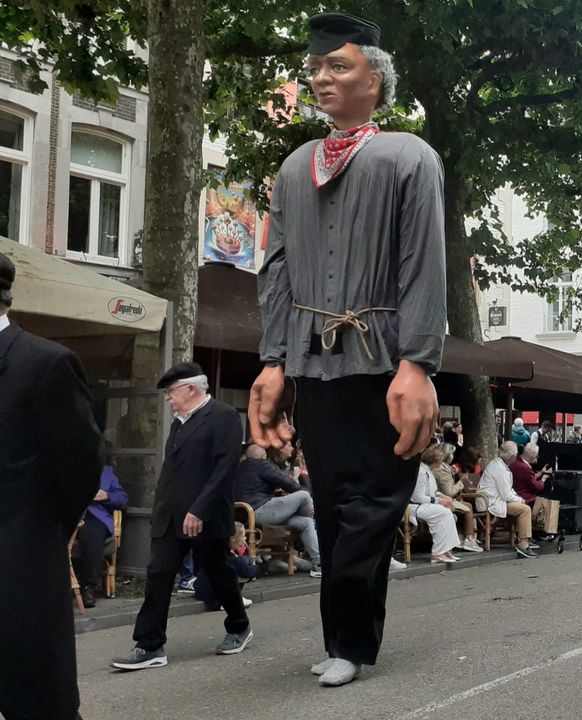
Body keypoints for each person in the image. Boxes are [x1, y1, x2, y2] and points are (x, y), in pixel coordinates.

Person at [249, 11, 445, 688]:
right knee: (331, 504)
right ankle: (345, 640)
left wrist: (418, 362)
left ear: (376, 80)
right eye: (316, 69)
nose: (322, 79)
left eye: (339, 66)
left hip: (384, 361)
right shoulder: (293, 166)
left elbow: (424, 265)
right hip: (314, 362)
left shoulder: (410, 157)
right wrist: (274, 361)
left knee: (373, 505)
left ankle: (352, 642)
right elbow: (276, 270)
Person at [0, 251, 103, 720]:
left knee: (38, 701)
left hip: (20, 567)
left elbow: (79, 464)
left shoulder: (45, 363)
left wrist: (36, 531)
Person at [112, 362, 253, 671]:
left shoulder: (224, 417)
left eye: (171, 391)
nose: (168, 398)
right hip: (171, 517)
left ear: (191, 389)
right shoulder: (179, 423)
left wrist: (199, 509)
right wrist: (160, 509)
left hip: (206, 516)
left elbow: (224, 469)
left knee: (218, 573)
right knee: (158, 574)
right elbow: (172, 472)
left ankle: (239, 625)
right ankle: (150, 645)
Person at [234, 444, 323, 578]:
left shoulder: (239, 468)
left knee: (305, 522)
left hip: (244, 513)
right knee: (304, 496)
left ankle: (319, 564)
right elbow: (287, 483)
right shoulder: (262, 464)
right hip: (260, 509)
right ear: (263, 456)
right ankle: (306, 538)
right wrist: (310, 497)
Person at [71, 448, 129, 608]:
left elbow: (123, 499)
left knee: (91, 534)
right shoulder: (68, 469)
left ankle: (88, 587)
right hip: (71, 515)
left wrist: (107, 496)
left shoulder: (107, 473)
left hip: (95, 517)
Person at [477, 442, 538, 557]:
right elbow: (506, 494)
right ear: (512, 457)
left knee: (522, 507)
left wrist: (519, 499)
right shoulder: (499, 468)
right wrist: (520, 500)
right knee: (525, 510)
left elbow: (508, 490)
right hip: (491, 502)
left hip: (495, 500)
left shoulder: (499, 465)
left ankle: (523, 539)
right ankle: (523, 543)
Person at [425, 444, 482, 552]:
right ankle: (470, 539)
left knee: (462, 504)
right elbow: (449, 492)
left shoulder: (443, 468)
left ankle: (460, 537)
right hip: (441, 499)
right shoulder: (442, 470)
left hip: (440, 497)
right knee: (468, 507)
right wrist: (461, 482)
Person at [409, 461, 461, 564]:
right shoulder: (421, 472)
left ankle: (445, 549)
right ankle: (437, 553)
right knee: (443, 513)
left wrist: (444, 497)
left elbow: (433, 491)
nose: (442, 463)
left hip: (424, 505)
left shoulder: (429, 471)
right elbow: (418, 497)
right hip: (414, 506)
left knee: (447, 511)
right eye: (440, 460)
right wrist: (439, 500)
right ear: (434, 461)